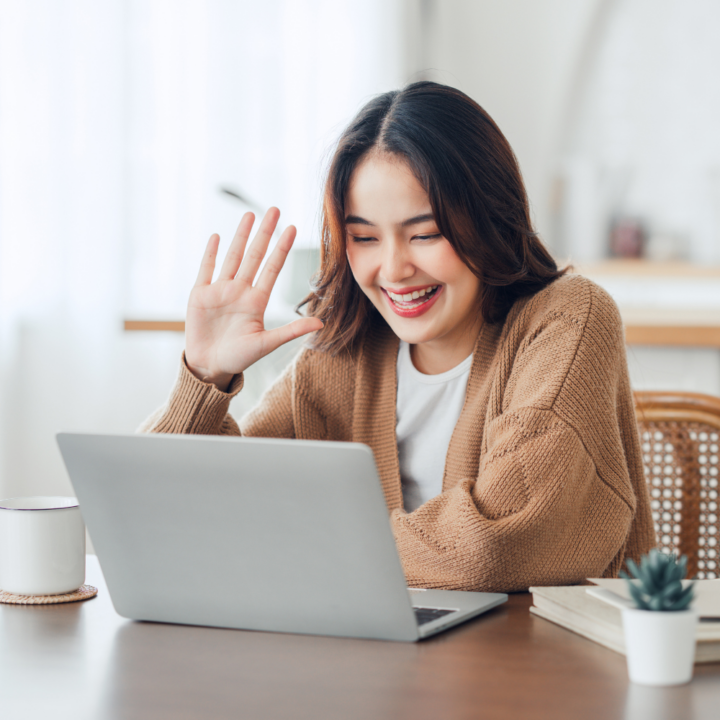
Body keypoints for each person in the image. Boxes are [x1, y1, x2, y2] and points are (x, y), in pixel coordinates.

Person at [142, 82, 656, 592]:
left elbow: (496, 543)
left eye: (425, 234)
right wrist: (204, 375)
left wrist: (305, 544)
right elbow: (178, 514)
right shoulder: (343, 349)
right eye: (364, 238)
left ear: (489, 218)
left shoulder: (568, 318)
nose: (393, 269)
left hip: (540, 662)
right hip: (380, 662)